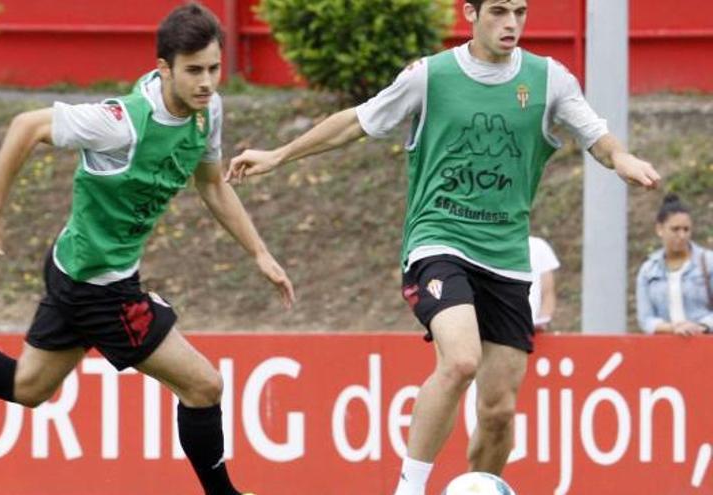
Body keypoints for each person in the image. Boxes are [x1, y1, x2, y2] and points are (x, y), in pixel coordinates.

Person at [0, 4, 293, 495]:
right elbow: (25, 126)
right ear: (164, 69)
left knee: (28, 387)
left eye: (214, 68)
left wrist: (259, 253)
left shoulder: (208, 111)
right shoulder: (121, 123)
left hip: (76, 269)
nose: (206, 82)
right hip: (101, 290)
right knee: (204, 386)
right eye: (194, 70)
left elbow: (213, 186)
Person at [226, 0, 660, 493]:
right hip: (439, 242)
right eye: (498, 11)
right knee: (460, 360)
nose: (511, 23)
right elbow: (356, 122)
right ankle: (408, 489)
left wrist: (621, 158)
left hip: (508, 259)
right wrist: (280, 153)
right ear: (469, 13)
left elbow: (597, 135)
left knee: (498, 411)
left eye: (520, 11)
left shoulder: (549, 80)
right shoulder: (429, 77)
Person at [636, 193, 713, 336]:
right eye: (675, 229)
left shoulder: (708, 262)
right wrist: (672, 328)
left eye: (686, 229)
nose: (682, 235)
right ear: (660, 229)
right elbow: (645, 319)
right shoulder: (648, 270)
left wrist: (700, 326)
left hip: (704, 345)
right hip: (665, 348)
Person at [528, 236, 560, 331]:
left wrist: (542, 320)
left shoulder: (538, 246)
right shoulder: (487, 246)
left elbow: (548, 293)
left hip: (530, 330)